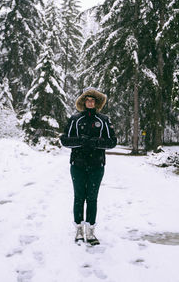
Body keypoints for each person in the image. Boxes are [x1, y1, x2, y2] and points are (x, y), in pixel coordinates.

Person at [60, 87, 117, 245]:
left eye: (93, 100)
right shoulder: (75, 119)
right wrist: (80, 141)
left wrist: (95, 142)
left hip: (96, 165)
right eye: (88, 100)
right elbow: (64, 140)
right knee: (79, 198)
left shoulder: (103, 120)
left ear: (97, 103)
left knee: (92, 198)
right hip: (77, 165)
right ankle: (79, 229)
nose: (90, 102)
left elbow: (112, 141)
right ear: (84, 102)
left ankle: (91, 231)